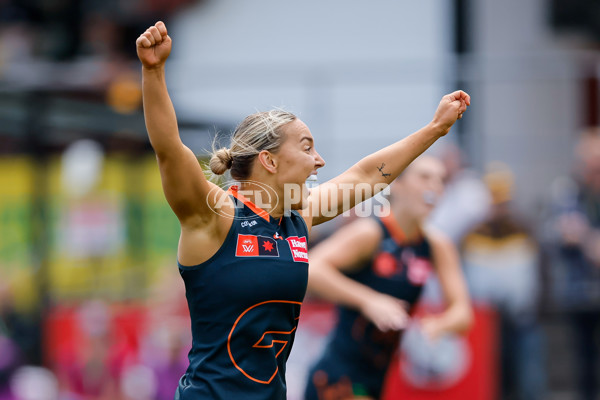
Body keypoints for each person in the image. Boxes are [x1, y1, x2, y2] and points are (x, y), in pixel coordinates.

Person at [136, 21, 470, 400]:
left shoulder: (298, 219)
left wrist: (434, 129)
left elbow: (365, 175)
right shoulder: (214, 217)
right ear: (270, 161)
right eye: (308, 148)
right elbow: (169, 148)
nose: (320, 161)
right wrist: (153, 71)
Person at [303, 155, 473, 400]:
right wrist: (368, 300)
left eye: (441, 180)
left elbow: (463, 314)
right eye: (425, 177)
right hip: (338, 374)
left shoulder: (436, 246)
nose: (434, 186)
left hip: (377, 377)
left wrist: (438, 325)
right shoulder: (371, 233)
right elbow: (312, 268)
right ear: (398, 184)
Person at [544, 128, 600, 400]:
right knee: (583, 362)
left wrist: (585, 237)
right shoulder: (568, 191)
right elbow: (555, 234)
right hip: (578, 293)